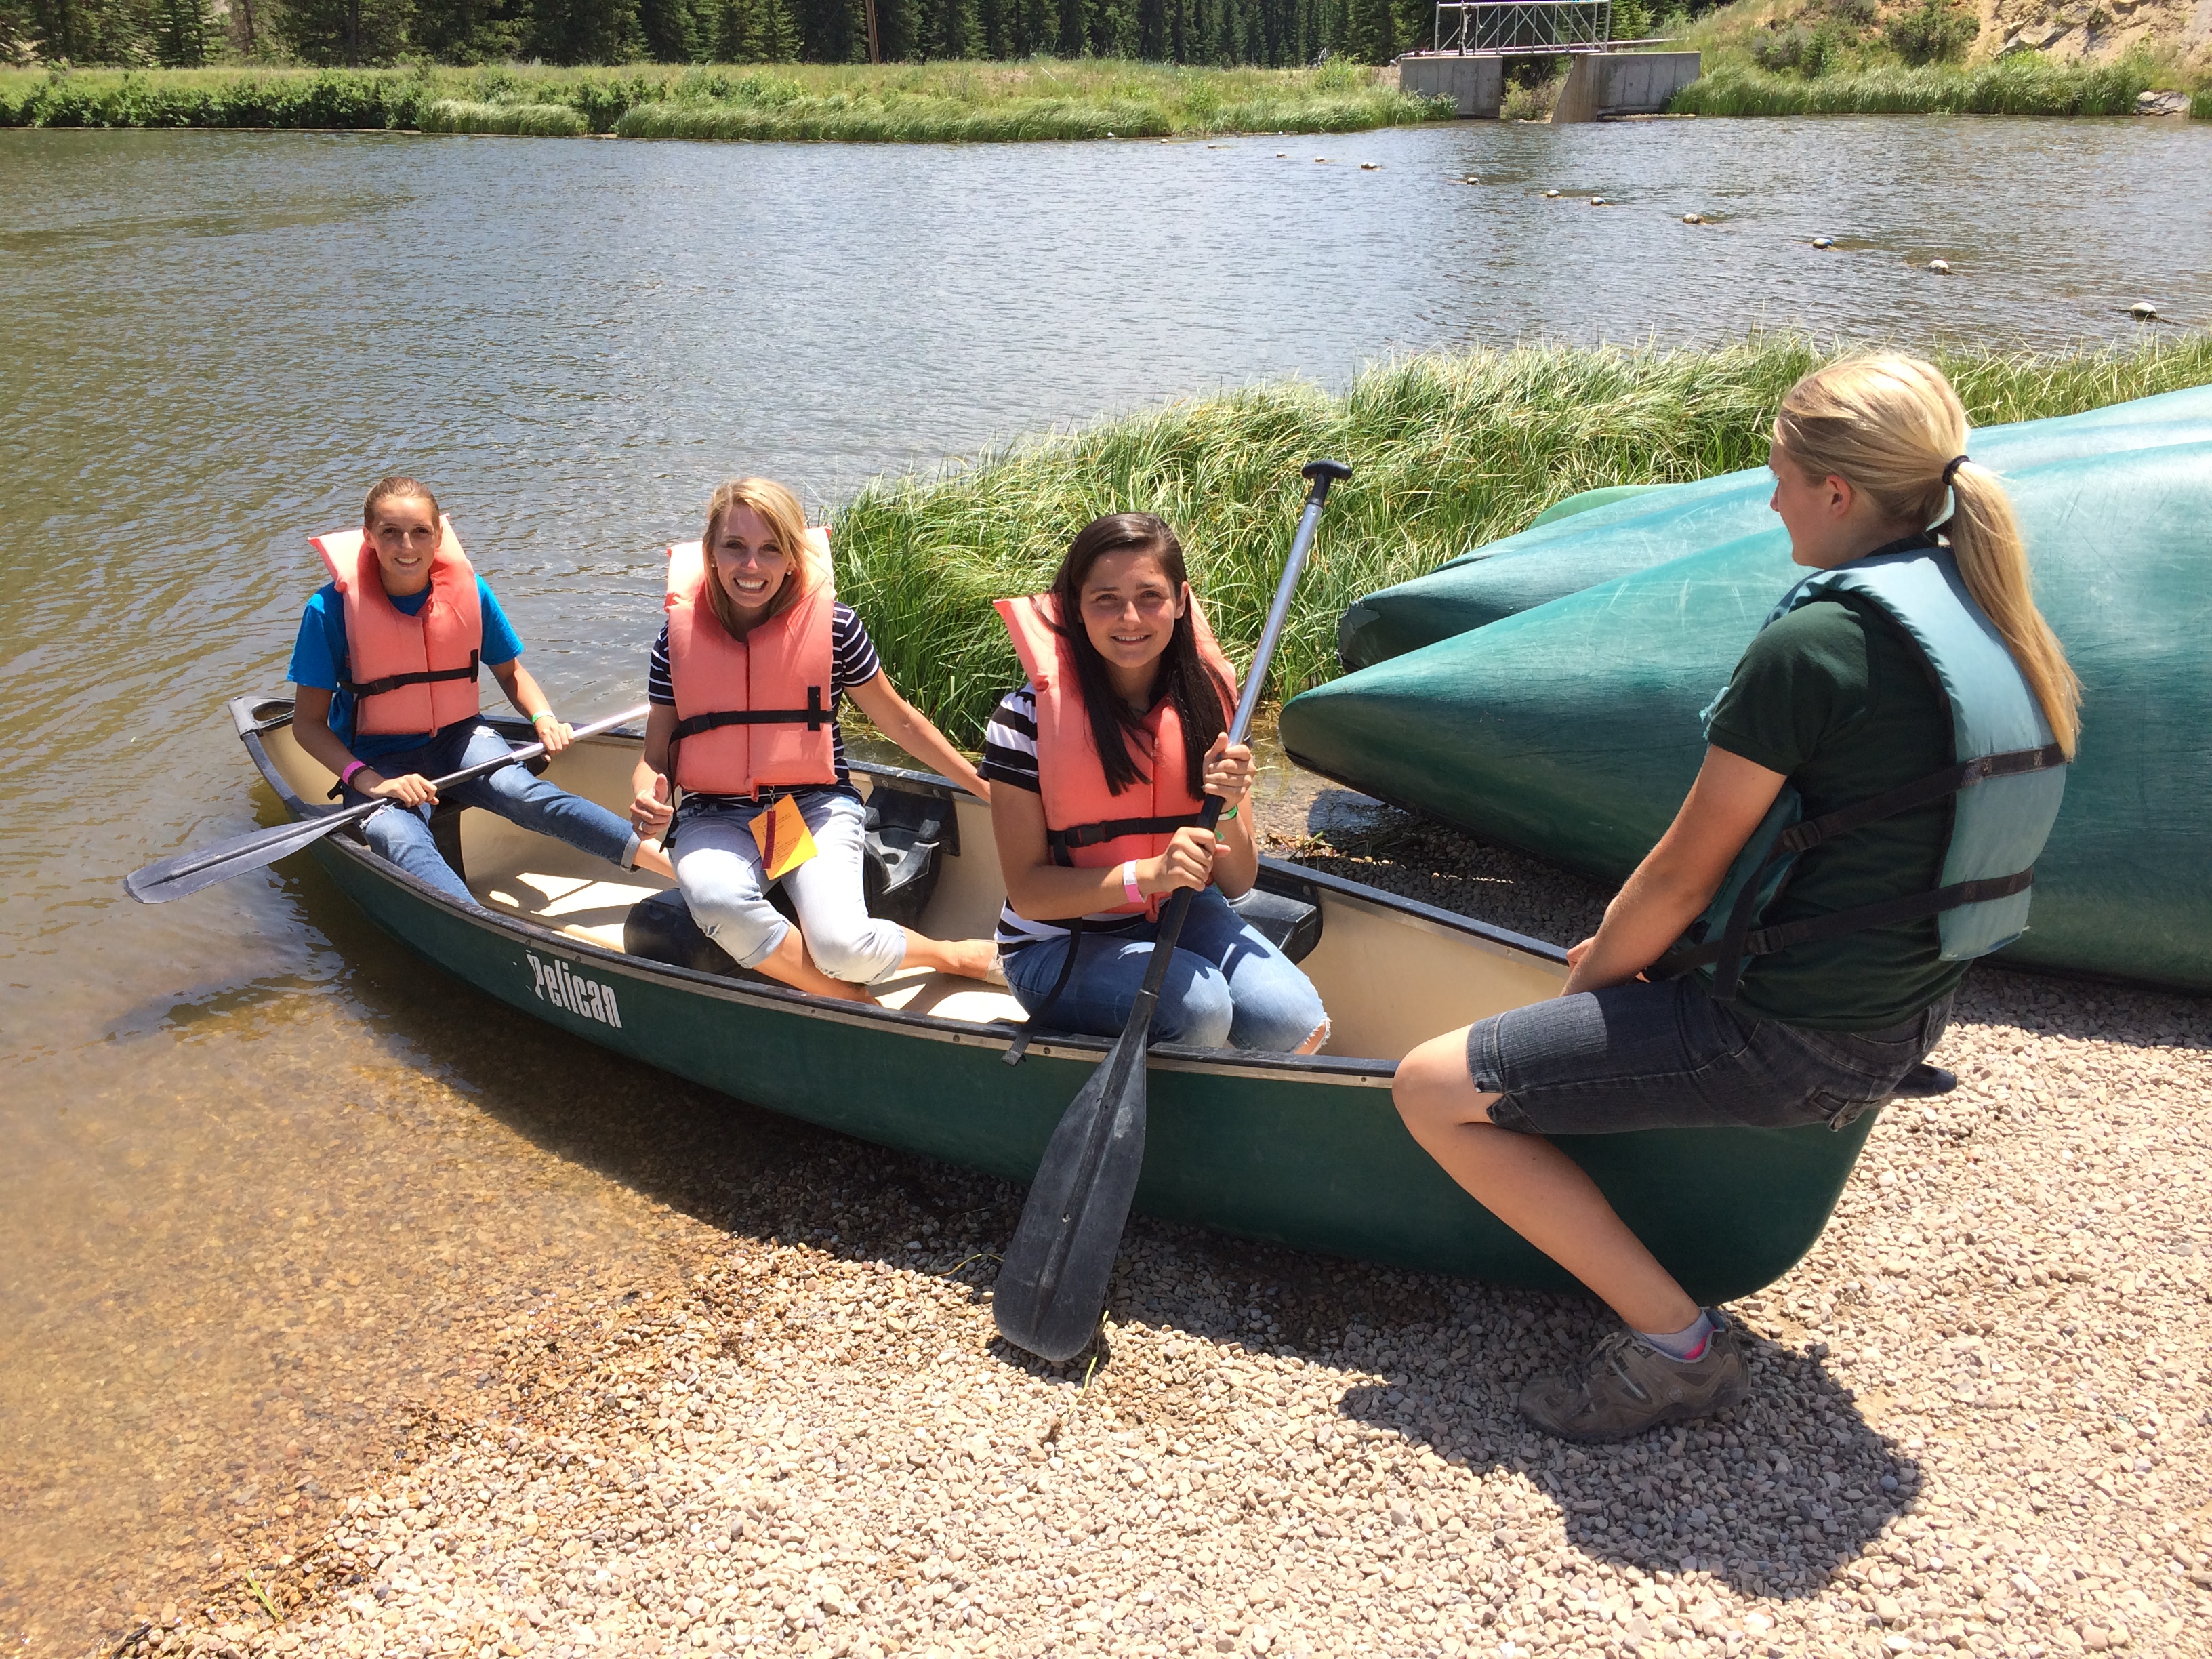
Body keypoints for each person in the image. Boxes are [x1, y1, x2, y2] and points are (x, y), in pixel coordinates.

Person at [1391, 355, 2081, 1441]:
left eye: (1779, 477)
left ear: (1837, 494)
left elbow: (1681, 872)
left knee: (1430, 1085)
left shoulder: (1821, 645)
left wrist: (1601, 981)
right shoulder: (1975, 602)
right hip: (1901, 1018)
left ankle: (1679, 1349)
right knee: (1602, 978)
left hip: (1792, 1042)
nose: (1770, 502)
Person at [627, 477, 997, 1004]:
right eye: (735, 546)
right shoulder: (675, 638)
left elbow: (903, 724)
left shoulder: (837, 629)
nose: (751, 567)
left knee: (843, 944)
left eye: (770, 549)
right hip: (712, 814)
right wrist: (650, 796)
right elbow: (655, 755)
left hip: (808, 810)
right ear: (710, 552)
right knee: (717, 897)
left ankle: (951, 955)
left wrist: (985, 789)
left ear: (793, 559)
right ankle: (852, 1002)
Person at [984, 512, 1328, 1053]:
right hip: (1058, 944)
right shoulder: (1023, 718)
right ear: (1075, 606)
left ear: (1181, 599)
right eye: (1105, 599)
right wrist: (1147, 875)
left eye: (1150, 596)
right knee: (1201, 1008)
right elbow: (1029, 894)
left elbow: (1238, 881)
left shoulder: (1212, 709)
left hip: (1180, 912)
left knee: (1294, 1021)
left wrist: (1232, 806)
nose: (1130, 617)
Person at [289, 476, 672, 907]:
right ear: (369, 537)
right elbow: (307, 726)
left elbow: (511, 673)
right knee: (396, 834)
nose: (407, 546)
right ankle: (476, 924)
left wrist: (542, 717)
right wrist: (371, 782)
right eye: (390, 533)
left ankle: (674, 868)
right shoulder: (328, 611)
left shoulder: (470, 593)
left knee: (523, 792)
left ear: (438, 537)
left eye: (420, 532)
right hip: (375, 755)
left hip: (459, 738)